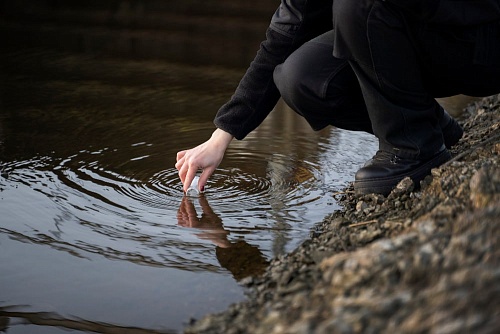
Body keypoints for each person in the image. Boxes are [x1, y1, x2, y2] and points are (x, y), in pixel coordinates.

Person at [176, 0, 500, 196]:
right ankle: (425, 126)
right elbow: (283, 37)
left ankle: (412, 150)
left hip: (481, 43)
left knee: (356, 5)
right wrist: (221, 137)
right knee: (302, 78)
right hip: (423, 43)